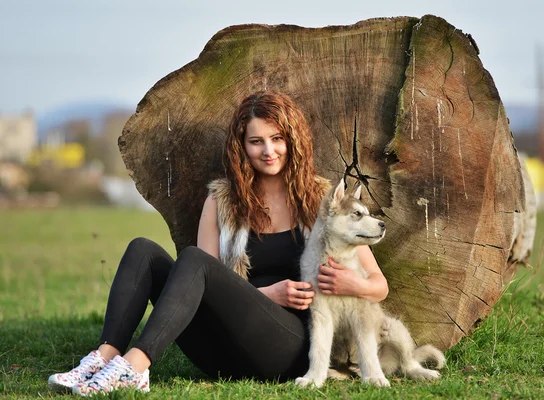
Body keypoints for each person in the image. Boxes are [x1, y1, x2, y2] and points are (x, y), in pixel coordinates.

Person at [47, 91, 389, 396]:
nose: (268, 151)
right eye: (256, 141)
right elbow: (203, 284)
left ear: (293, 141)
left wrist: (350, 282)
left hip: (287, 346)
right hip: (220, 350)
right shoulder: (222, 201)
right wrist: (269, 293)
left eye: (277, 138)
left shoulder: (321, 202)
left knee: (193, 259)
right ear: (241, 146)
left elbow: (379, 286)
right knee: (143, 250)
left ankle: (134, 368)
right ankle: (104, 357)